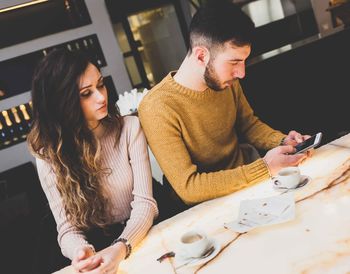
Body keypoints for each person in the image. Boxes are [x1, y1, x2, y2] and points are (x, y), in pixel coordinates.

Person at [138, 0, 310, 217]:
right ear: (201, 56)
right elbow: (189, 188)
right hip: (206, 211)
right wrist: (264, 168)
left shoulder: (225, 81)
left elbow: (249, 125)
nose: (241, 73)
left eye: (244, 61)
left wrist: (283, 142)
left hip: (254, 189)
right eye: (234, 61)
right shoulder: (156, 107)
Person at [27, 49, 158, 273]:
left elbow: (146, 204)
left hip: (141, 231)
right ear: (62, 102)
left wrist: (121, 247)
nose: (101, 97)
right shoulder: (48, 154)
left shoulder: (129, 129)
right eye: (86, 93)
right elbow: (67, 228)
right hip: (94, 247)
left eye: (101, 84)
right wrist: (81, 251)